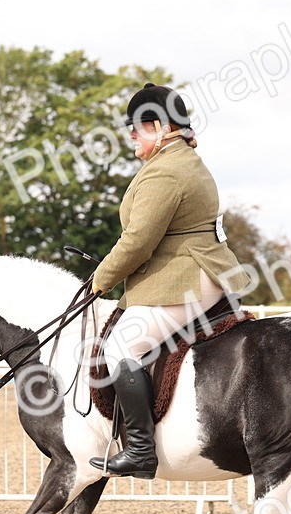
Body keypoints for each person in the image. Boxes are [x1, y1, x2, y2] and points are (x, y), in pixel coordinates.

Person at [88, 83, 251, 479]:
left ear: (161, 127)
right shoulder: (178, 162)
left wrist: (100, 279)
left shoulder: (166, 173)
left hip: (188, 276)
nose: (130, 134)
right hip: (195, 270)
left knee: (120, 347)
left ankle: (142, 452)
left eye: (137, 127)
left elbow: (138, 241)